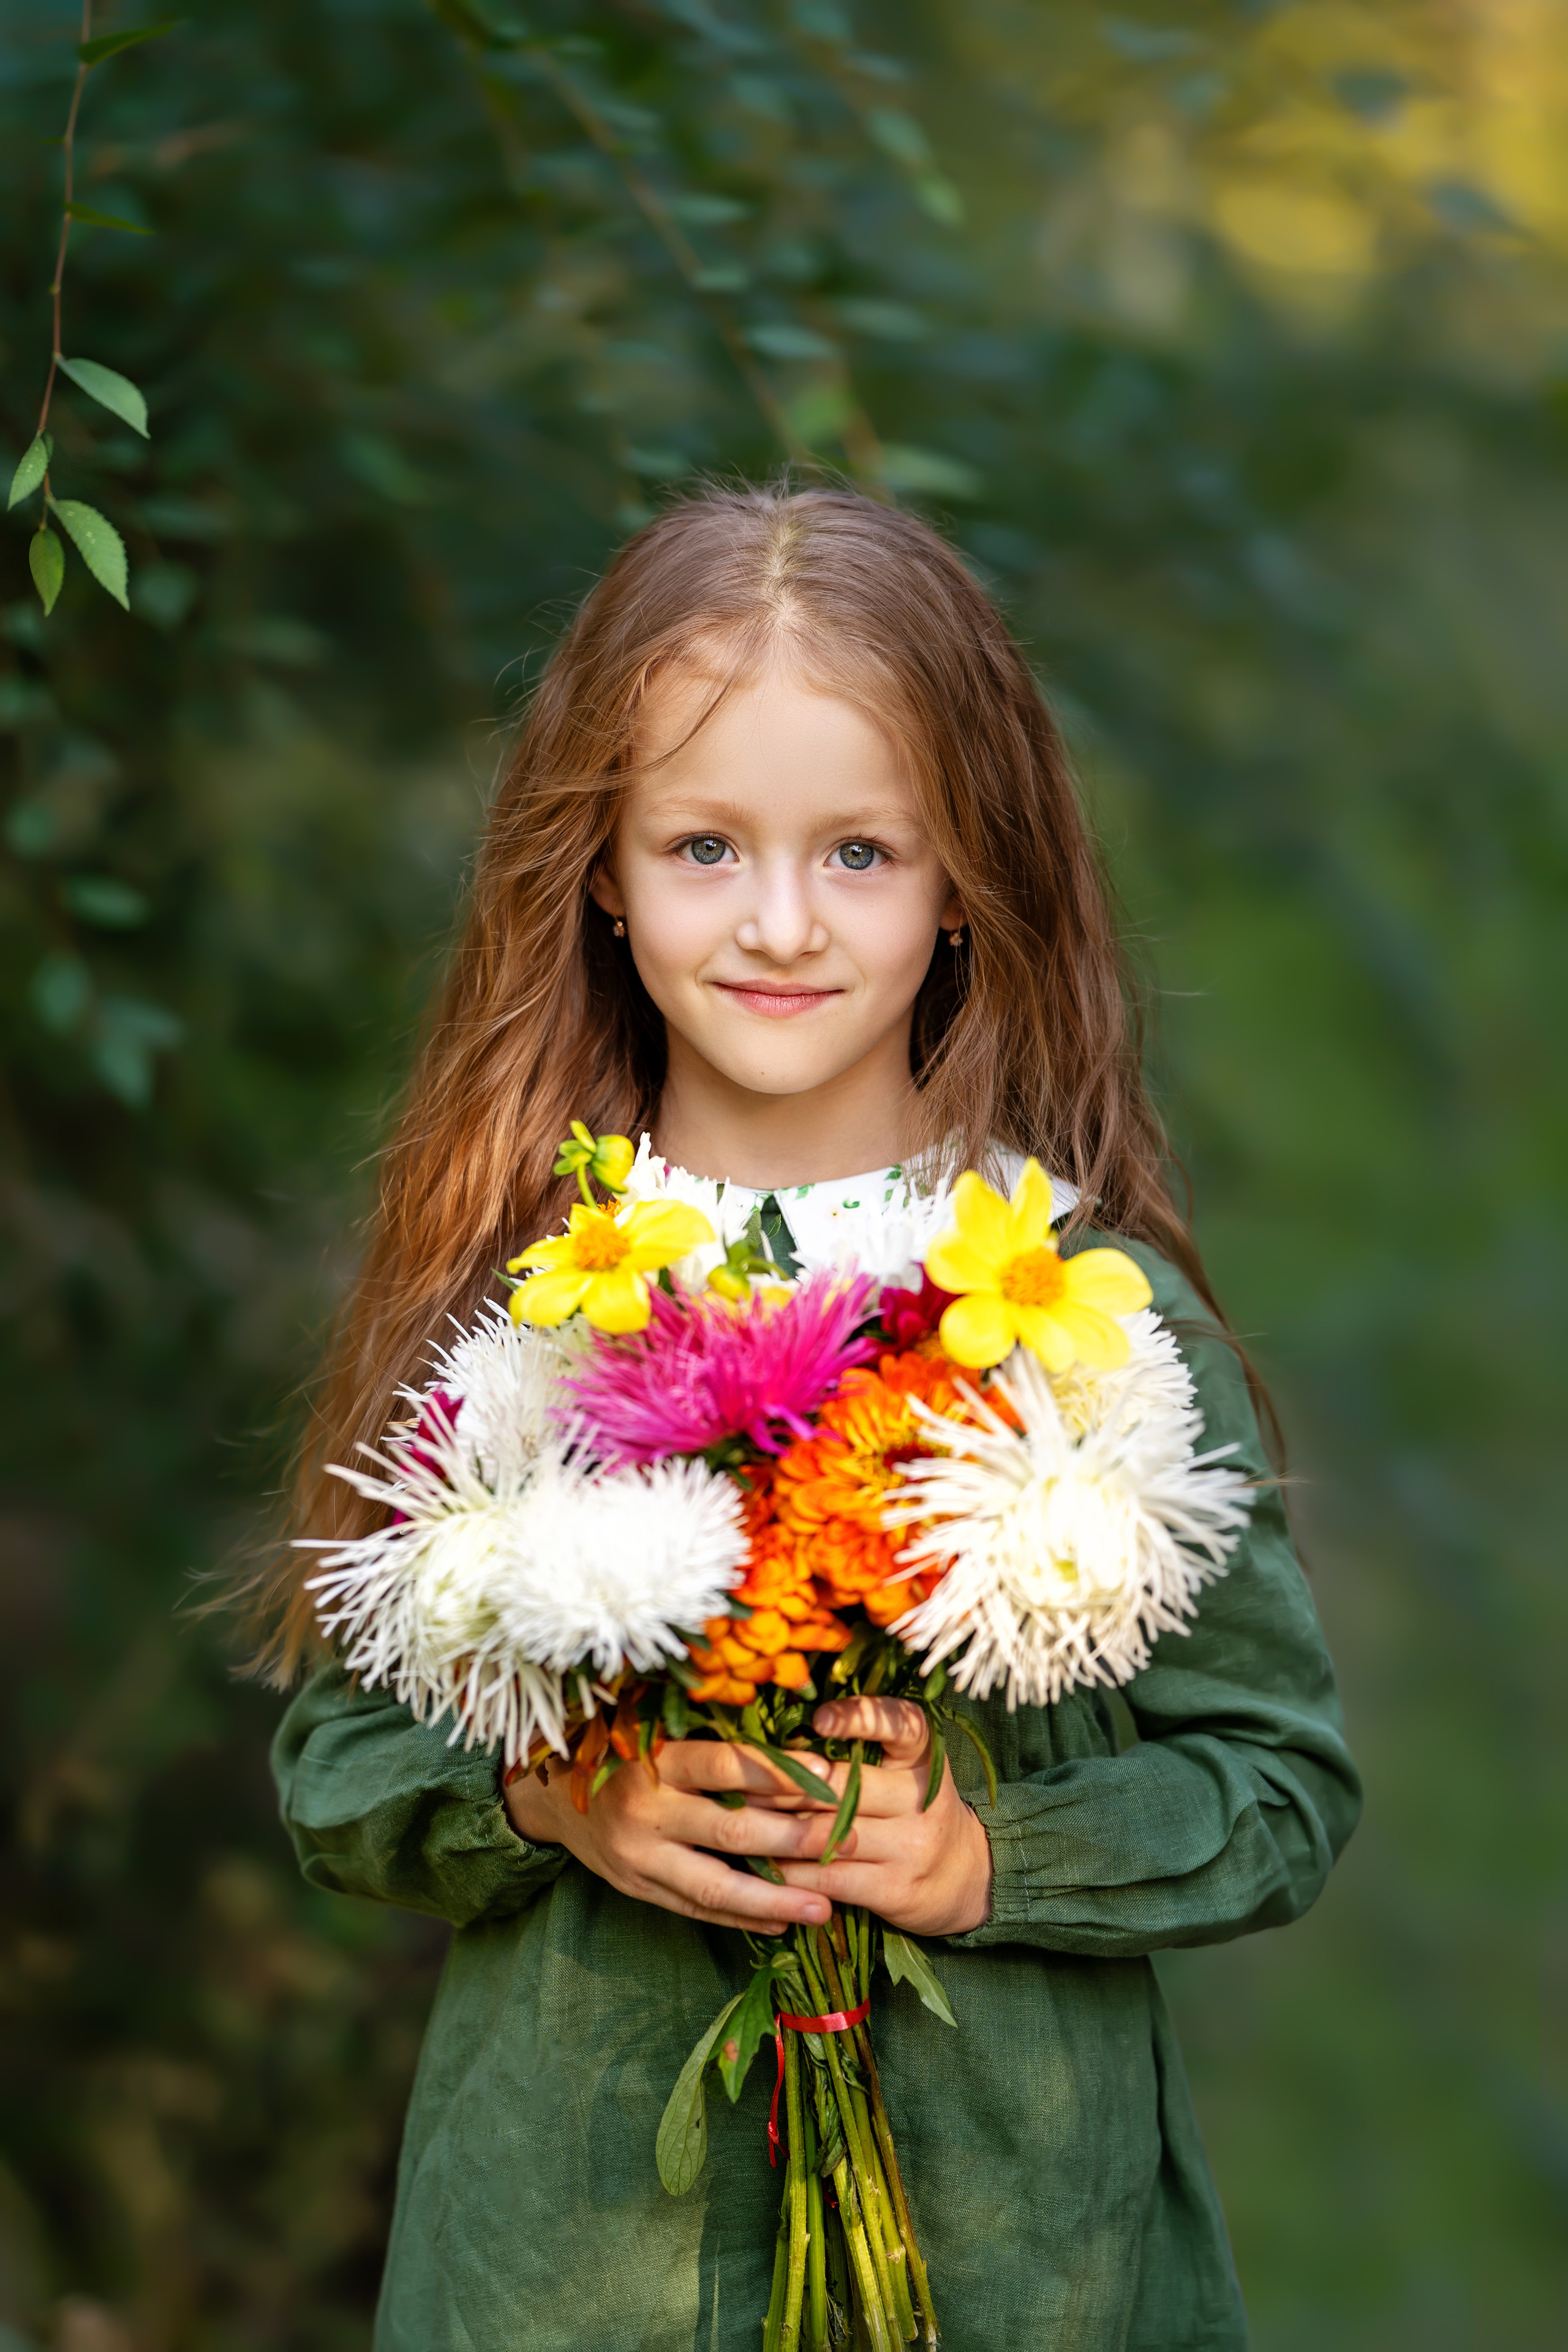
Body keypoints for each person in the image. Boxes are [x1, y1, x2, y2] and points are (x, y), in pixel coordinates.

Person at [266, 484, 1361, 2351]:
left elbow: (1278, 1784)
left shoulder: (1079, 1312)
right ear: (600, 867)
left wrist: (993, 1859)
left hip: (1026, 2265)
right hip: (566, 2262)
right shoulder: (532, 1296)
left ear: (968, 878)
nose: (780, 922)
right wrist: (555, 1797)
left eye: (860, 852)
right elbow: (338, 1775)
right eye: (706, 845)